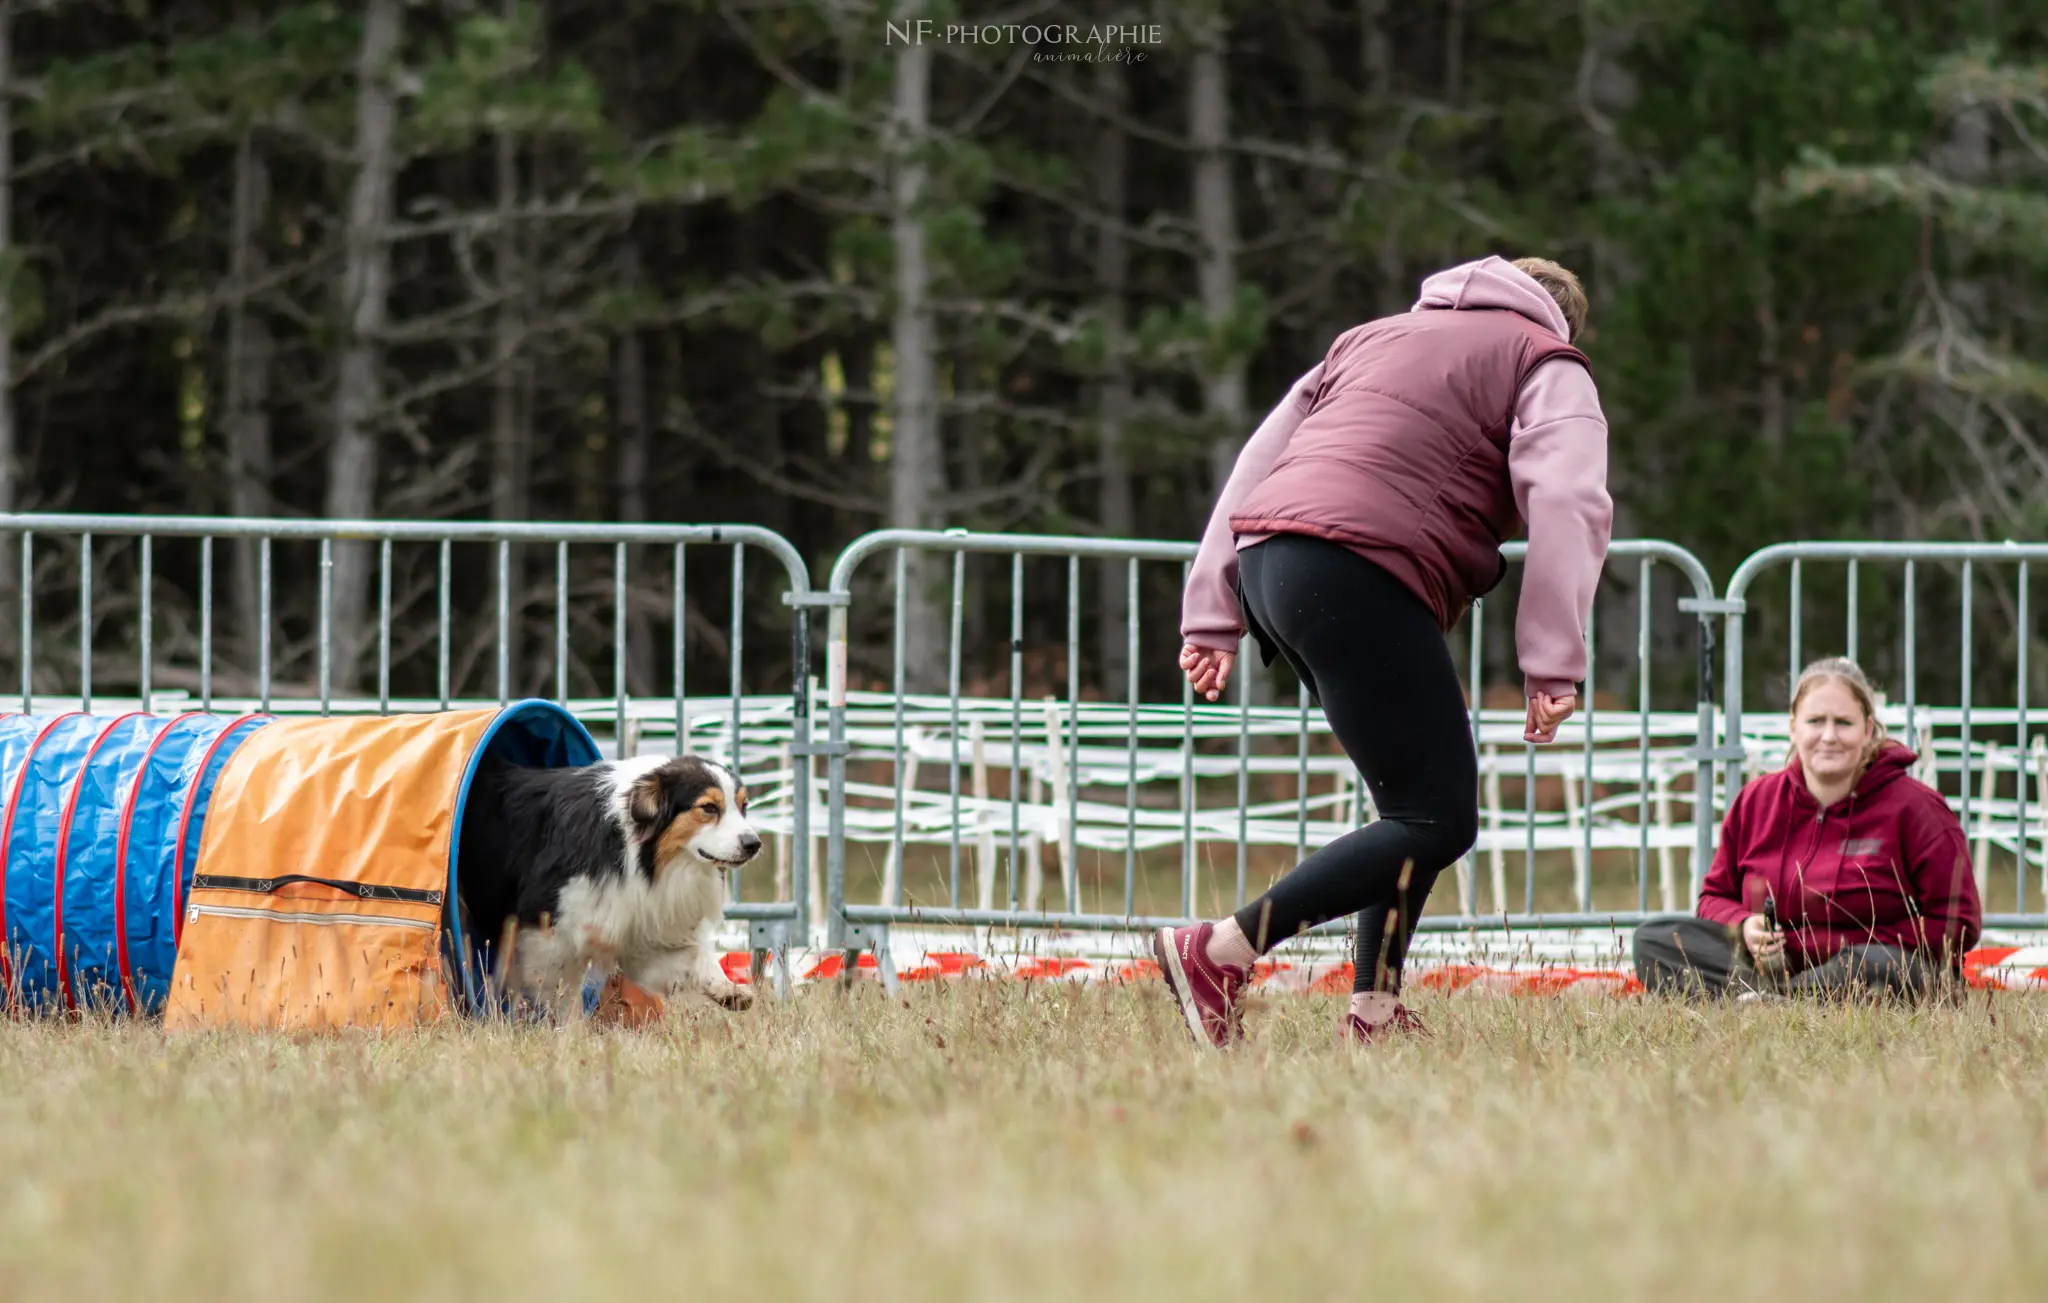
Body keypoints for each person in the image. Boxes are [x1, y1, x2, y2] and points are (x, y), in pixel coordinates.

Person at [1157, 254, 1614, 1049]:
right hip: (1359, 566)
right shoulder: (1545, 357)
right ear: (1562, 319)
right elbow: (1570, 500)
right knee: (1438, 816)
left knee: (1410, 799)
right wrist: (1553, 660)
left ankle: (1374, 1007)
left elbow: (1254, 465)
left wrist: (1211, 609)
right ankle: (1221, 948)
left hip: (1274, 563)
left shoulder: (1368, 338)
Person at [1632, 656, 1982, 1001]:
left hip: (1868, 967)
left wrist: (1826, 946)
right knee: (1654, 940)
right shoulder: (1756, 800)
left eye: (1843, 723)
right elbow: (1713, 898)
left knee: (1878, 965)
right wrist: (1744, 926)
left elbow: (1959, 923)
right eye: (1815, 721)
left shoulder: (1918, 808)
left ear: (1869, 730)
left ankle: (1764, 1000)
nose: (1828, 736)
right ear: (1793, 727)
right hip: (1769, 968)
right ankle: (1776, 999)